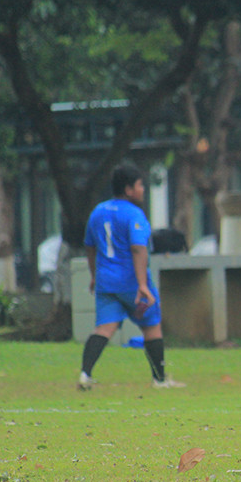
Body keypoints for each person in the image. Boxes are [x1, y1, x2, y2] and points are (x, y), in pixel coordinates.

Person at [78, 164, 183, 390]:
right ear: (128, 190)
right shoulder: (134, 214)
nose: (143, 189)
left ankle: (85, 375)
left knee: (104, 328)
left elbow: (89, 247)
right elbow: (138, 248)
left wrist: (94, 276)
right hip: (132, 283)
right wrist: (143, 285)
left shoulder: (98, 211)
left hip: (106, 282)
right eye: (139, 185)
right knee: (152, 327)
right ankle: (160, 379)